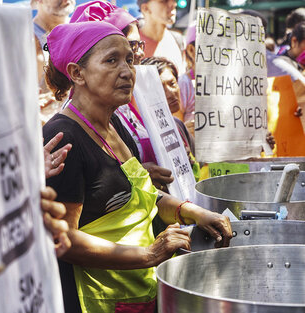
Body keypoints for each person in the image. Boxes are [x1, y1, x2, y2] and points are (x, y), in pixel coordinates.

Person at [43, 21, 232, 313]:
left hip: (136, 290)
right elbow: (63, 238)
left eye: (129, 59)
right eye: (111, 60)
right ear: (76, 73)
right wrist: (150, 253)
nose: (127, 71)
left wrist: (192, 212)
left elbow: (141, 195)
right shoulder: (63, 138)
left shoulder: (114, 123)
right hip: (95, 299)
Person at [69, 0, 175, 190]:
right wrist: (138, 176)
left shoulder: (120, 108)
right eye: (132, 45)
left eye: (138, 46)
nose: (140, 53)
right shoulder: (72, 127)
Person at [137, 0, 185, 76]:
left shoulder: (178, 40)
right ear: (145, 8)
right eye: (164, 1)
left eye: (174, 0)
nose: (173, 4)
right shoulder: (131, 43)